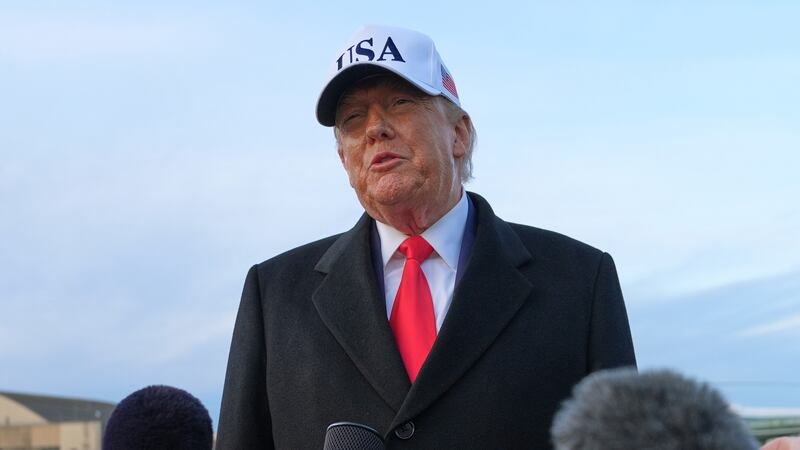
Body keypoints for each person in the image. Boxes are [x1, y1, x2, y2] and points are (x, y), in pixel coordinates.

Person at [216, 25, 636, 449]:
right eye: (353, 118)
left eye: (400, 103)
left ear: (459, 134)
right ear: (344, 158)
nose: (375, 129)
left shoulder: (581, 282)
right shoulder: (274, 296)